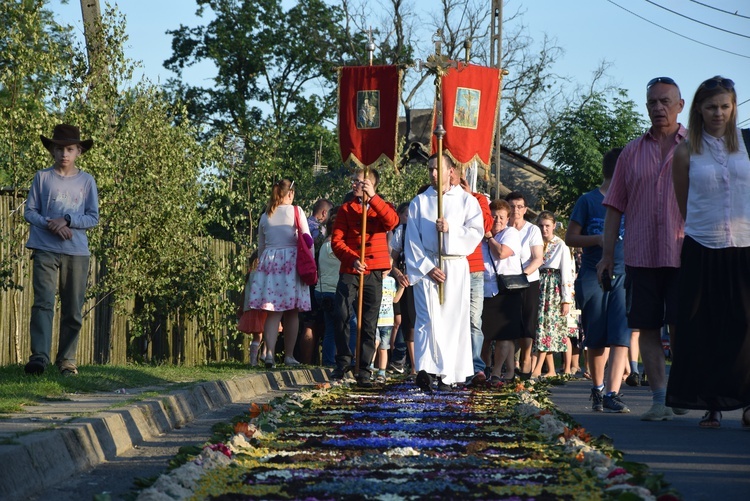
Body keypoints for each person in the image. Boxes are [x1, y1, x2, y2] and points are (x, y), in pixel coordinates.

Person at [597, 76, 688, 422]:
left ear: (680, 105)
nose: (658, 108)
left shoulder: (695, 147)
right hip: (640, 255)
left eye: (665, 101)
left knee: (681, 326)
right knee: (647, 327)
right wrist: (607, 255)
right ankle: (660, 398)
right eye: (652, 102)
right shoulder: (631, 153)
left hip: (684, 253)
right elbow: (614, 208)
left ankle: (680, 388)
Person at [667, 76, 750, 428]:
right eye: (712, 106)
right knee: (704, 326)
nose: (718, 113)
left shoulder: (747, 143)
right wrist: (706, 231)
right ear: (699, 109)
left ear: (733, 109)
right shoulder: (686, 151)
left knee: (746, 327)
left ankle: (748, 402)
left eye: (725, 106)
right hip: (703, 246)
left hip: (745, 247)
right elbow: (684, 204)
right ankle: (711, 404)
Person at [23, 124, 100, 376]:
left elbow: (93, 218)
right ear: (52, 151)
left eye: (69, 149)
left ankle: (67, 361)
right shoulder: (42, 177)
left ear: (79, 151)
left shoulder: (87, 181)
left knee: (73, 308)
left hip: (76, 252)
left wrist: (67, 220)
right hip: (44, 248)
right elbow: (29, 212)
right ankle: (39, 358)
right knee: (43, 303)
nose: (64, 154)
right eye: (59, 149)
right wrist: (51, 224)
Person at [404, 154, 484, 390]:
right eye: (430, 169)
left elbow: (476, 232)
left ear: (451, 171)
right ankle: (427, 370)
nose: (433, 174)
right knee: (428, 319)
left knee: (452, 320)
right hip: (427, 265)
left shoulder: (466, 201)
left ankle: (448, 374)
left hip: (455, 265)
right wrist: (427, 268)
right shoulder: (419, 202)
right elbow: (412, 240)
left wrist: (451, 230)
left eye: (438, 169)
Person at [566, 148, 630, 413]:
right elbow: (570, 238)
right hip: (593, 274)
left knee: (621, 335)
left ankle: (612, 394)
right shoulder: (588, 201)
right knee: (597, 337)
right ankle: (597, 388)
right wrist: (597, 239)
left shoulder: (631, 200)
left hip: (625, 273)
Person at [330, 168, 399, 387]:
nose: (354, 184)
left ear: (370, 184)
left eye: (359, 181)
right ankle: (343, 361)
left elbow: (392, 222)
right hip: (351, 269)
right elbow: (336, 241)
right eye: (353, 181)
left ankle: (365, 367)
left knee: (369, 321)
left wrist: (374, 198)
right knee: (340, 312)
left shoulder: (382, 206)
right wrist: (352, 259)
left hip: (375, 270)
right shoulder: (345, 209)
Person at [247, 178, 311, 368]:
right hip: (291, 264)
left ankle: (269, 355)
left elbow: (261, 247)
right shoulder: (296, 211)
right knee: (292, 312)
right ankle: (289, 356)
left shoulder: (265, 215)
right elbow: (307, 239)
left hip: (270, 265)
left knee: (273, 312)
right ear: (290, 193)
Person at [451, 170, 493, 386]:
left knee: (474, 320)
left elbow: (487, 227)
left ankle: (476, 368)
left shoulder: (477, 199)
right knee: (452, 319)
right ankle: (454, 367)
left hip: (474, 268)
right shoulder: (442, 200)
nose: (450, 176)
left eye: (454, 172)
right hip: (450, 267)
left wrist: (470, 197)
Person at [479, 199, 523, 385]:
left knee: (504, 335)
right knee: (484, 335)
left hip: (506, 291)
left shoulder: (510, 233)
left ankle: (497, 372)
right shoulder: (480, 235)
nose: (497, 220)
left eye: (501, 217)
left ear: (507, 219)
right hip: (485, 289)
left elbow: (502, 253)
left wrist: (490, 238)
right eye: (493, 216)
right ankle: (482, 369)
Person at [531, 211, 574, 380]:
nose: (544, 229)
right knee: (540, 327)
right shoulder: (536, 243)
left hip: (553, 288)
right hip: (539, 284)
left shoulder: (560, 245)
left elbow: (566, 272)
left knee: (548, 327)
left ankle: (539, 368)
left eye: (547, 226)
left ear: (554, 226)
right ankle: (551, 369)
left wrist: (566, 299)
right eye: (541, 226)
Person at [505, 192, 544, 379]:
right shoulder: (502, 228)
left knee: (527, 323)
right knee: (508, 323)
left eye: (520, 206)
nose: (516, 210)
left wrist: (522, 275)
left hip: (527, 281)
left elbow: (538, 258)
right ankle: (510, 365)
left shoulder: (532, 230)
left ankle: (526, 359)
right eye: (512, 206)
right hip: (505, 282)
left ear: (525, 209)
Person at [389, 202, 417, 378]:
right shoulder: (403, 231)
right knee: (409, 323)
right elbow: (391, 260)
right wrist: (399, 274)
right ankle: (414, 366)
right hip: (407, 282)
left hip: (427, 281)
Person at [314, 208, 340, 366]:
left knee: (330, 329)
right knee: (349, 326)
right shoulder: (335, 245)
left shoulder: (324, 243)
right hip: (334, 290)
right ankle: (349, 361)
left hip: (322, 291)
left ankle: (329, 362)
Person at [373, 258, 403, 384]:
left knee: (384, 347)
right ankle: (369, 366)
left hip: (387, 320)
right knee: (374, 343)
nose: (384, 270)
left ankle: (381, 371)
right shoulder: (373, 280)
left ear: (390, 269)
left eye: (387, 268)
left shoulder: (391, 281)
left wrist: (402, 287)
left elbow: (395, 300)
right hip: (375, 320)